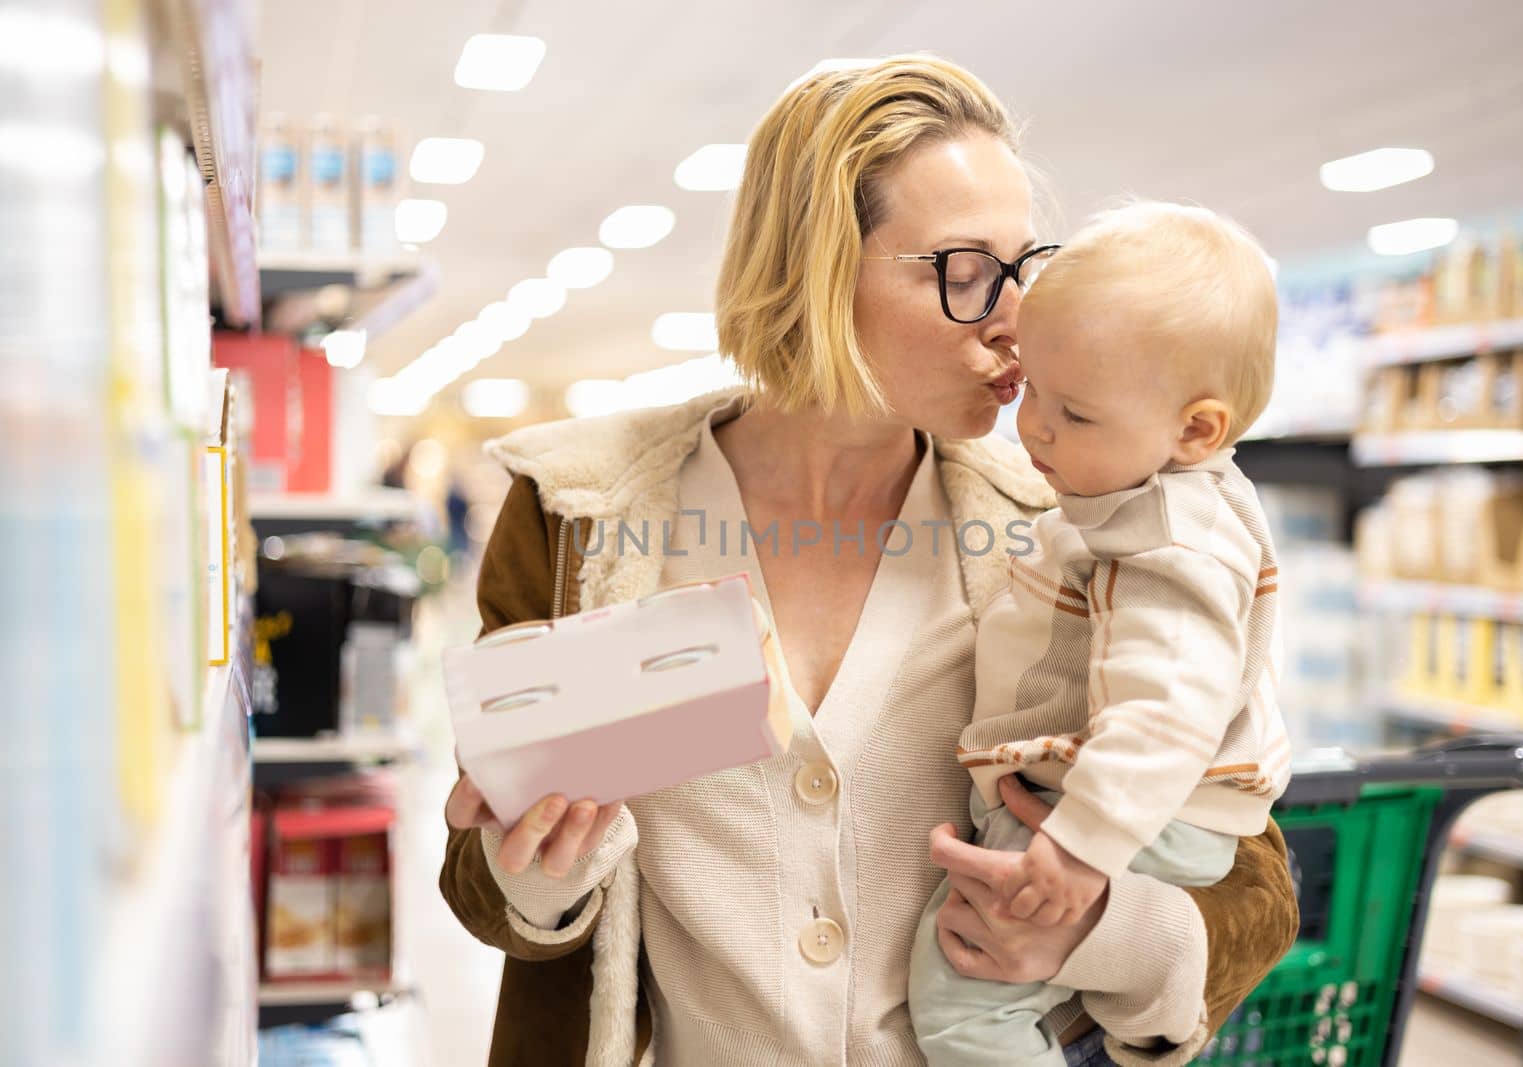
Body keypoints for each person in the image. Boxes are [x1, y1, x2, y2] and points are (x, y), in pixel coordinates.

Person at [440, 55, 1298, 1067]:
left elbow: (1253, 883)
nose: (1017, 317)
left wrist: (1092, 926)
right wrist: (536, 865)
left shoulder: (1068, 523)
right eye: (962, 268)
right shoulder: (584, 514)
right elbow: (485, 881)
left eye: (1024, 266)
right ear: (813, 266)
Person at [907, 201, 1292, 1066]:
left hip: (1111, 815)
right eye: (1033, 386)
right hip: (1125, 810)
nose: (1032, 424)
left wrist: (1081, 845)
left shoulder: (1167, 536)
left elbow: (1169, 705)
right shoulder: (1134, 499)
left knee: (962, 1005)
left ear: (1196, 430)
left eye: (1074, 413)